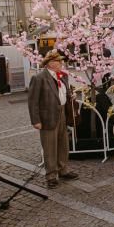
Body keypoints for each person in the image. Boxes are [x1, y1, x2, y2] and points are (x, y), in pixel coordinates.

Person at [27, 50, 79, 188]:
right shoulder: (39, 78)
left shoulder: (63, 76)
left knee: (63, 143)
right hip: (47, 116)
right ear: (50, 63)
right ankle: (51, 175)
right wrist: (36, 120)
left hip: (62, 112)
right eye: (58, 61)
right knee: (50, 146)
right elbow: (33, 101)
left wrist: (70, 97)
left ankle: (63, 169)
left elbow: (64, 93)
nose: (61, 63)